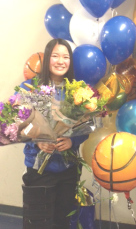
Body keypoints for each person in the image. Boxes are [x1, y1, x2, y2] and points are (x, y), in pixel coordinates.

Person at [20, 38, 88, 229]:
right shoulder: (30, 88)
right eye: (55, 56)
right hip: (38, 168)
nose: (61, 61)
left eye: (66, 57)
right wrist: (37, 141)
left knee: (62, 222)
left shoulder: (77, 91)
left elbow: (86, 126)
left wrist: (72, 142)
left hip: (67, 169)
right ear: (47, 58)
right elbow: (19, 126)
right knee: (37, 223)